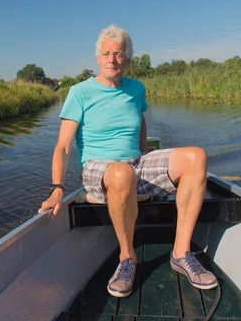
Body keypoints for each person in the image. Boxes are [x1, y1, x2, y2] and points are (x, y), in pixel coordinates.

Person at [37, 24, 217, 298]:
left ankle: (181, 253)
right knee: (121, 174)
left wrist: (144, 152)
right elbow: (62, 146)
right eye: (107, 53)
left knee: (196, 157)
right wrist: (57, 187)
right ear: (98, 58)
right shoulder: (80, 92)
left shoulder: (136, 89)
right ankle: (127, 258)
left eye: (119, 54)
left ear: (128, 60)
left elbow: (140, 119)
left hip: (135, 163)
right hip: (98, 168)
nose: (112, 59)